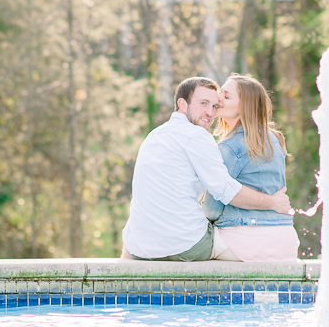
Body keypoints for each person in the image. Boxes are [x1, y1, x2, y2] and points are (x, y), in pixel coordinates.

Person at [122, 77, 291, 261]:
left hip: (139, 248)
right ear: (183, 105)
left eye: (214, 104)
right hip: (188, 245)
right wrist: (273, 203)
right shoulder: (274, 139)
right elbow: (225, 192)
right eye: (204, 103)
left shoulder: (154, 135)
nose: (211, 111)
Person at [207, 74, 300, 262]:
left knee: (184, 244)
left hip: (244, 242)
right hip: (285, 240)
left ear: (244, 106)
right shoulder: (275, 139)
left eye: (226, 96)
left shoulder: (229, 148)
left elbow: (211, 209)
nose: (218, 100)